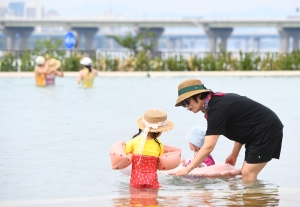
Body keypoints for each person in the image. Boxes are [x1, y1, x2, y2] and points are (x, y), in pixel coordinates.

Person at [174, 79, 283, 184]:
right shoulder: (214, 104)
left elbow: (208, 146)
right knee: (245, 175)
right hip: (256, 133)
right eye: (183, 104)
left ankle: (254, 201)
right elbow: (242, 127)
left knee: (247, 174)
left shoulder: (216, 110)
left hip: (267, 130)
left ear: (198, 95)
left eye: (187, 102)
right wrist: (234, 154)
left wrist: (187, 170)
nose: (187, 107)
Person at [125, 109, 174, 188]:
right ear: (159, 132)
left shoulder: (134, 141)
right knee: (152, 200)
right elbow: (160, 161)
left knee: (134, 199)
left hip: (136, 179)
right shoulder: (159, 145)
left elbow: (126, 152)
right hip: (152, 180)